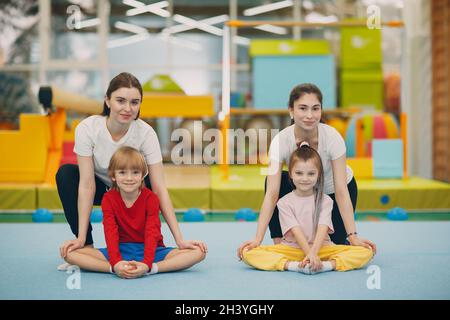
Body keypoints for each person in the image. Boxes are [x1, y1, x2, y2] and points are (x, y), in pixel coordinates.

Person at [57, 72, 207, 269]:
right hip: (103, 188)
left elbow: (159, 188)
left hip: (135, 191)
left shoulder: (145, 133)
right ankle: (86, 247)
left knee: (152, 182)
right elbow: (86, 185)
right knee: (66, 174)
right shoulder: (88, 128)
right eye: (120, 101)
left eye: (134, 102)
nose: (128, 108)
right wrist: (81, 237)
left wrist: (180, 240)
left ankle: (149, 247)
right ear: (107, 101)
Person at [238, 83, 376, 259]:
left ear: (321, 110)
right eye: (303, 108)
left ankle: (341, 239)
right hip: (301, 190)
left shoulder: (332, 138)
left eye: (315, 109)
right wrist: (257, 239)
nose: (309, 115)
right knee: (274, 179)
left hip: (333, 193)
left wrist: (353, 236)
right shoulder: (280, 141)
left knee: (333, 249)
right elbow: (272, 193)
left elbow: (341, 191)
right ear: (291, 111)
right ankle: (281, 243)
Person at [64, 146, 205, 278]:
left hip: (152, 250)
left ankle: (154, 268)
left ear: (143, 175)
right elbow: (110, 232)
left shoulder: (151, 198)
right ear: (113, 176)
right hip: (120, 250)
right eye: (122, 172)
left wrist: (147, 264)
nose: (129, 178)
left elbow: (152, 232)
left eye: (135, 172)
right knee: (68, 253)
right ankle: (113, 268)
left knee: (199, 252)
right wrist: (116, 262)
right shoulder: (108, 198)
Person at [242, 142, 373, 274]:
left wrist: (314, 253)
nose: (305, 179)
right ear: (291, 174)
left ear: (318, 175)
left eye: (311, 174)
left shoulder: (326, 200)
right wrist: (310, 254)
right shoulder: (284, 202)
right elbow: (295, 230)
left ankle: (328, 265)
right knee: (248, 253)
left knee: (366, 251)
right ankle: (292, 265)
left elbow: (323, 227)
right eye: (299, 173)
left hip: (323, 248)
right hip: (291, 249)